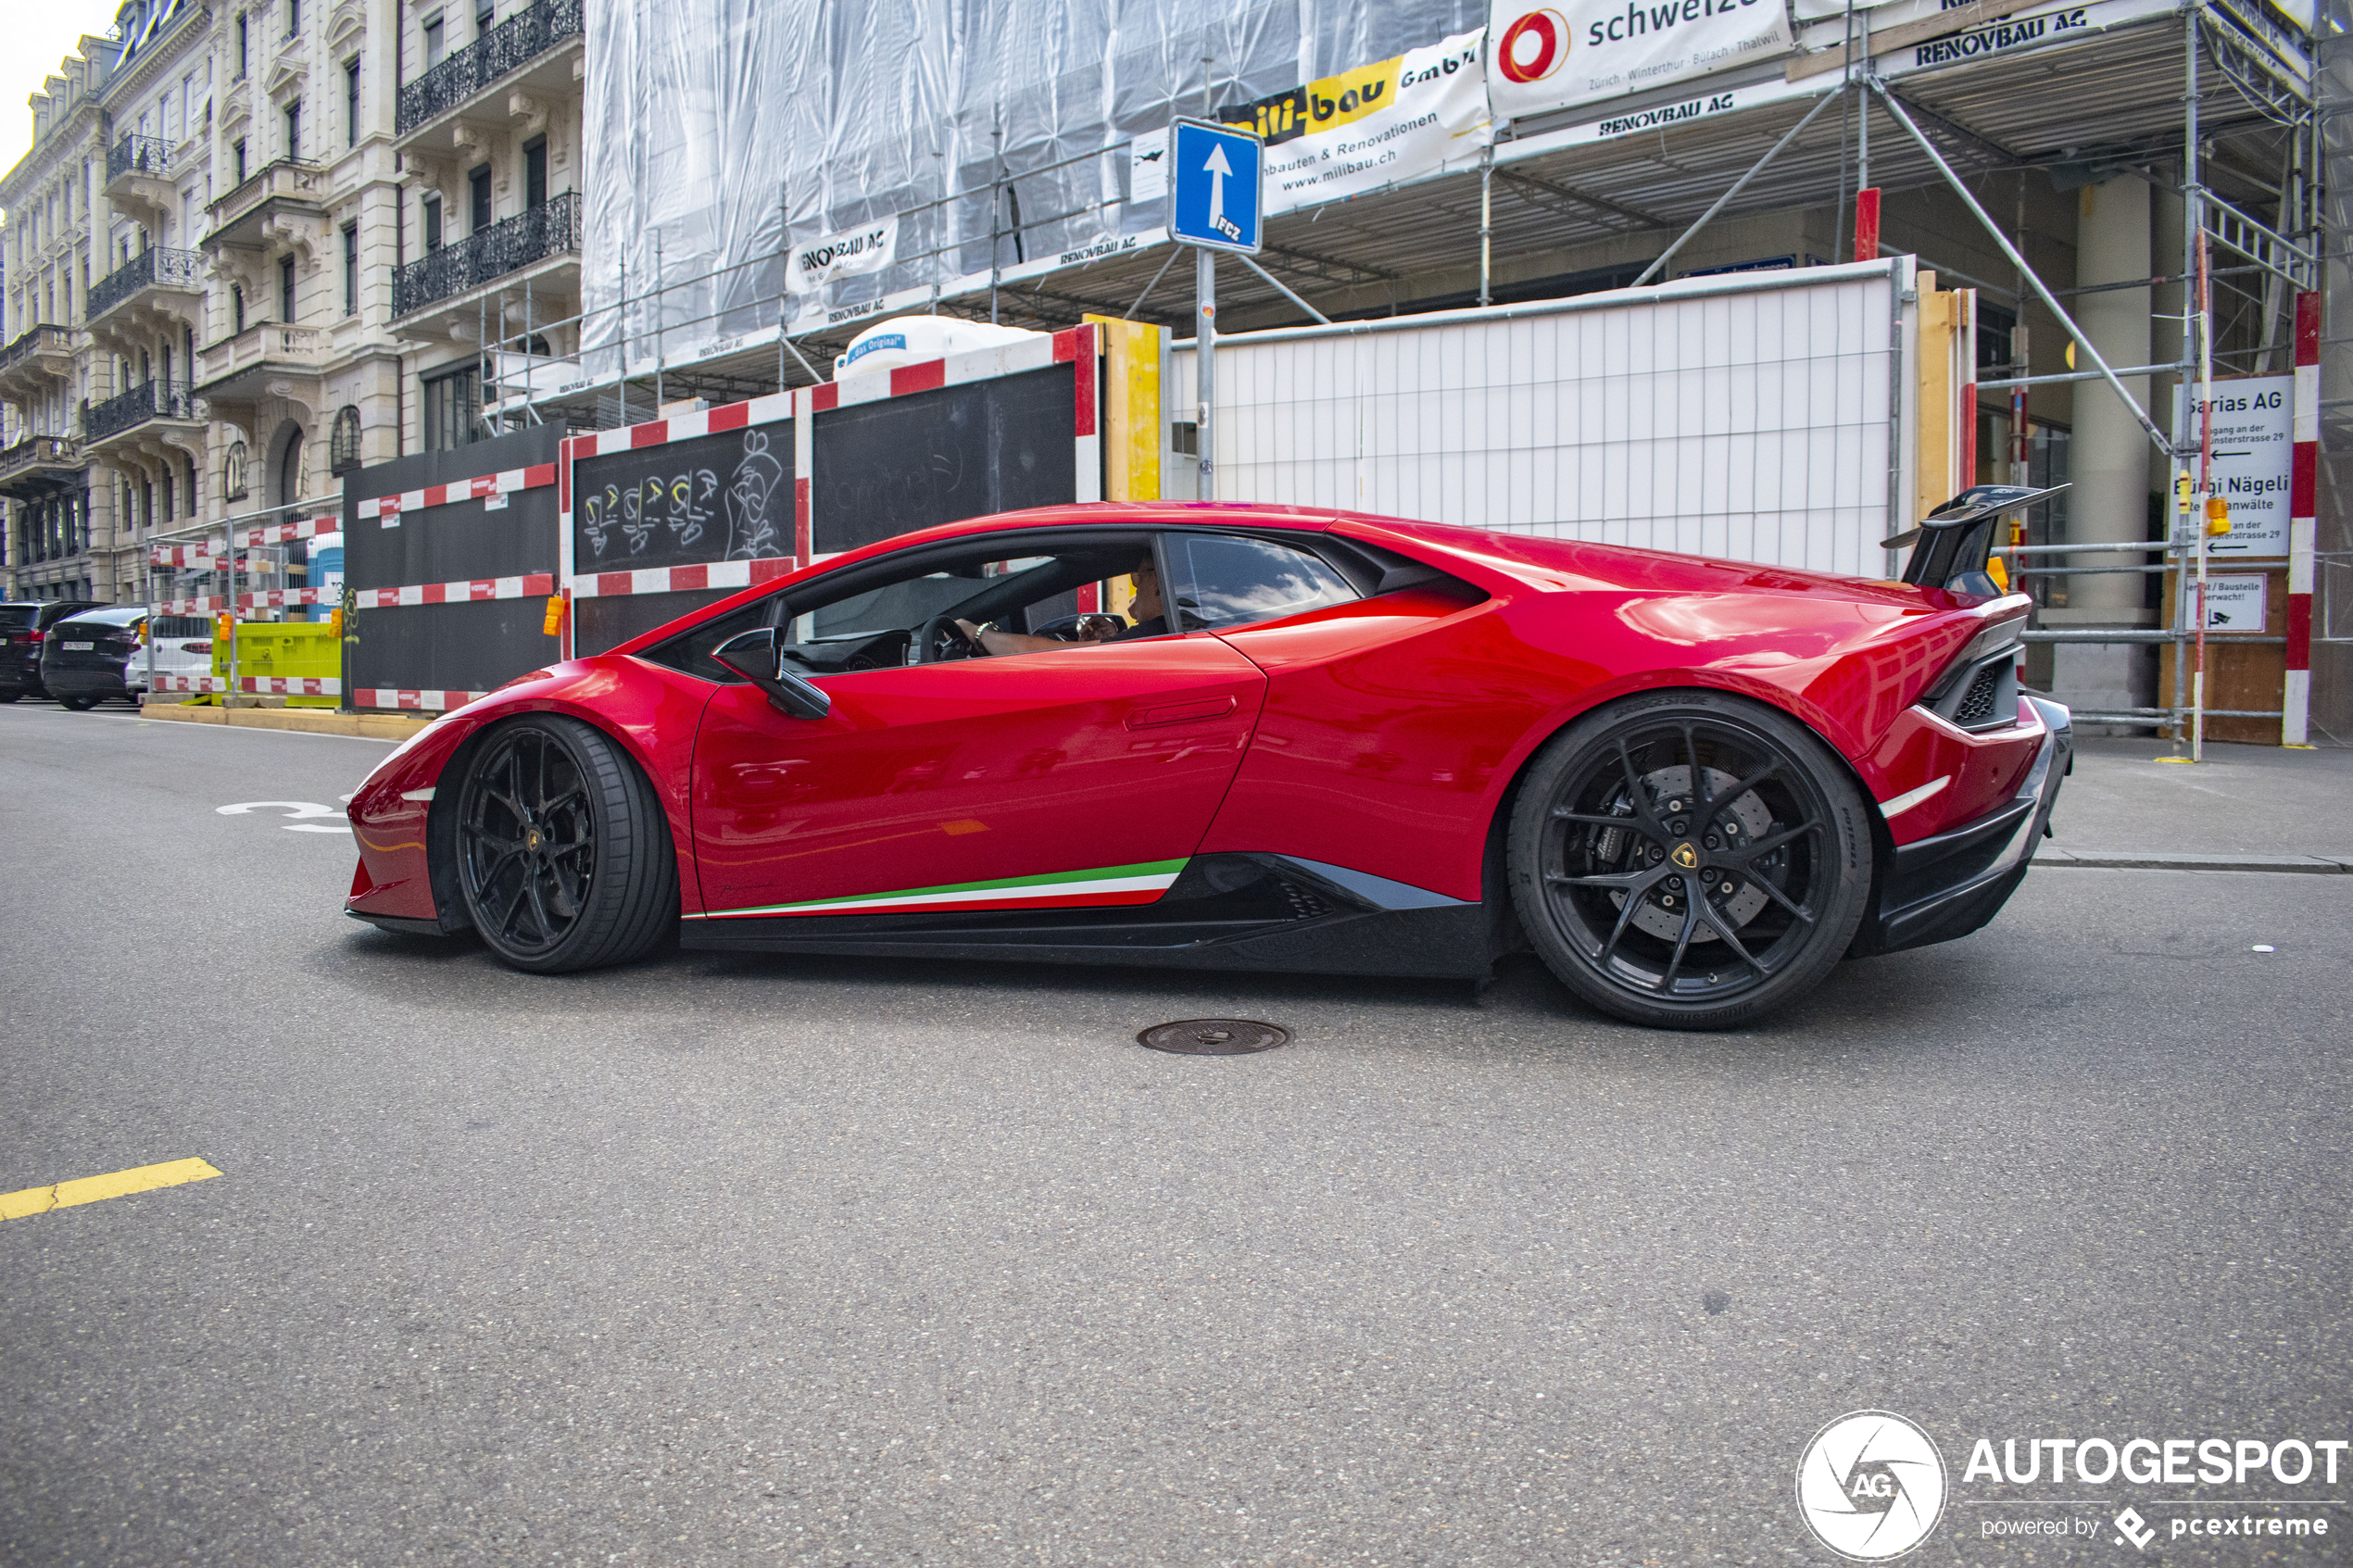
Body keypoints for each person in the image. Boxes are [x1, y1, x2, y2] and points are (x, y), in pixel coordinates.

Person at [955, 552, 1167, 656]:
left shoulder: (1158, 632)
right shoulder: (1169, 635)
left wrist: (976, 632)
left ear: (1158, 584)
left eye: (1137, 580)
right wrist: (1109, 644)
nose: (1131, 605)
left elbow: (1043, 654)